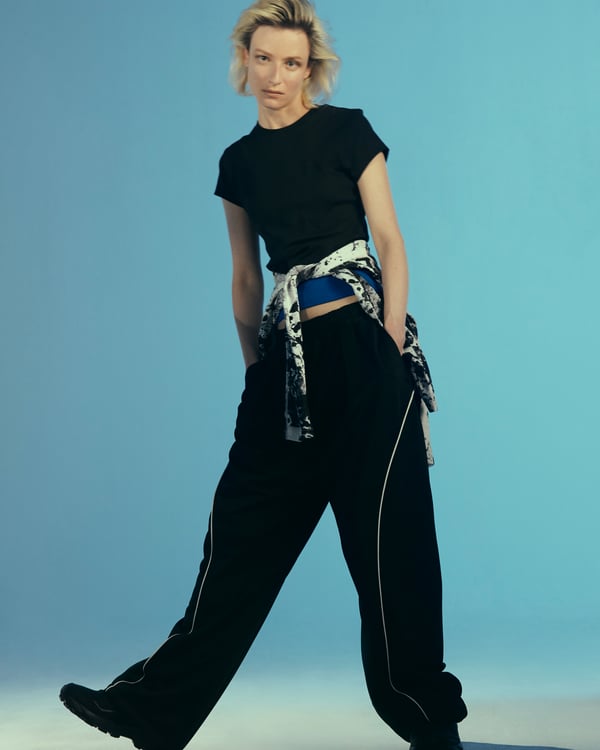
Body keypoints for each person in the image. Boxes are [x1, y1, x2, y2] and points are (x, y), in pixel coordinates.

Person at [59, 1, 467, 749]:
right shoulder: (239, 163)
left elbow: (389, 241)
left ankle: (428, 722)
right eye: (264, 59)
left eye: (293, 63)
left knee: (391, 547)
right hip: (285, 369)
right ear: (244, 61)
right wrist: (256, 369)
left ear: (311, 69)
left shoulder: (348, 132)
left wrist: (387, 348)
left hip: (363, 352)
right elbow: (246, 277)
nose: (277, 75)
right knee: (237, 545)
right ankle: (152, 712)